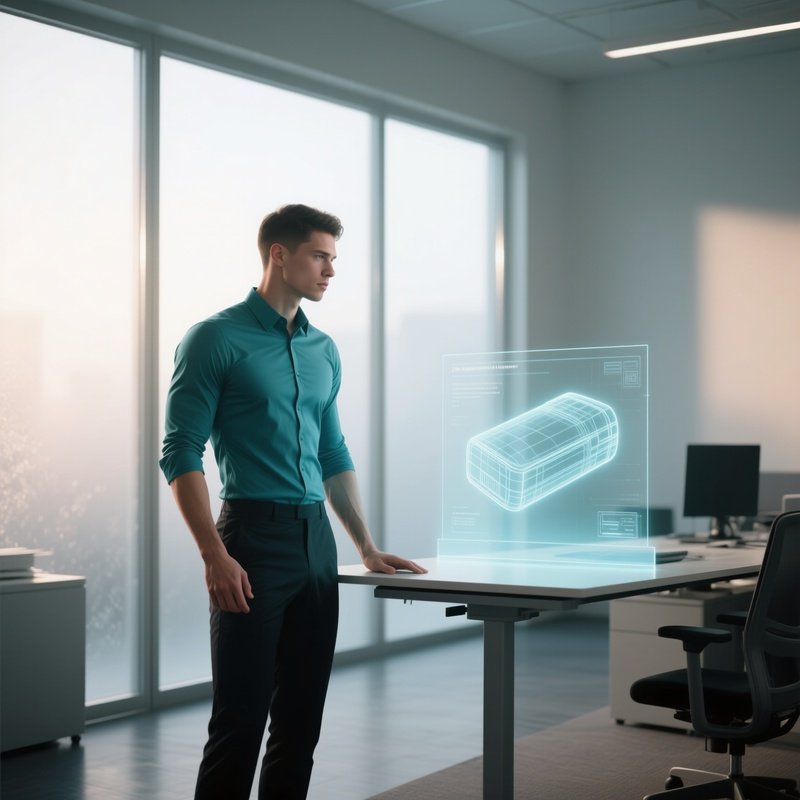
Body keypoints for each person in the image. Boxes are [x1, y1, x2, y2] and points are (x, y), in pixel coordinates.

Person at [159, 204, 426, 800]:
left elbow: (333, 452)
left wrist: (366, 546)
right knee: (239, 724)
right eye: (320, 255)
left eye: (334, 257)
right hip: (249, 540)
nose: (331, 270)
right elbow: (180, 453)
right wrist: (213, 555)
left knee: (301, 724)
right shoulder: (214, 338)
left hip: (316, 546)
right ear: (279, 255)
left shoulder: (324, 349)